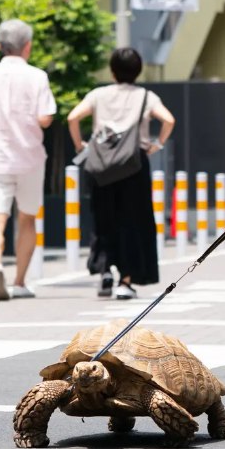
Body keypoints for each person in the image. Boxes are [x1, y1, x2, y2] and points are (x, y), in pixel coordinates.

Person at [67, 48, 174, 300]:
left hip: (101, 166)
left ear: (113, 71)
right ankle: (125, 282)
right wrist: (156, 144)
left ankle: (105, 271)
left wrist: (80, 145)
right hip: (133, 166)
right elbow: (169, 120)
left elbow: (73, 117)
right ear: (138, 71)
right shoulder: (146, 97)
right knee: (132, 223)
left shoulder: (98, 94)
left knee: (104, 219)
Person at [0, 19, 56, 301]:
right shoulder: (38, 76)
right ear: (27, 46)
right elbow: (45, 118)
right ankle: (18, 281)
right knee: (27, 218)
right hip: (29, 157)